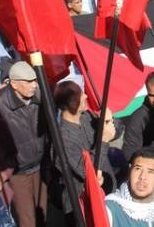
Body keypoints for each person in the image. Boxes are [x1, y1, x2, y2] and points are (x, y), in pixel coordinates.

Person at [53, 81, 117, 216]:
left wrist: (109, 120)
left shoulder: (86, 117)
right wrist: (103, 141)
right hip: (84, 204)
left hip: (106, 195)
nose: (86, 96)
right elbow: (86, 171)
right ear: (72, 103)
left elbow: (115, 131)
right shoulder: (63, 138)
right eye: (81, 94)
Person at [0, 61, 47, 226]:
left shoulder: (40, 96)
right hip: (18, 171)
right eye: (29, 81)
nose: (34, 85)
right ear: (14, 84)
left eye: (35, 80)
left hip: (39, 166)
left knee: (42, 214)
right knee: (27, 220)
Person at [105, 147, 154, 227]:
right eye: (138, 169)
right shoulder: (110, 208)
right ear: (129, 171)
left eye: (150, 172)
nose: (142, 177)